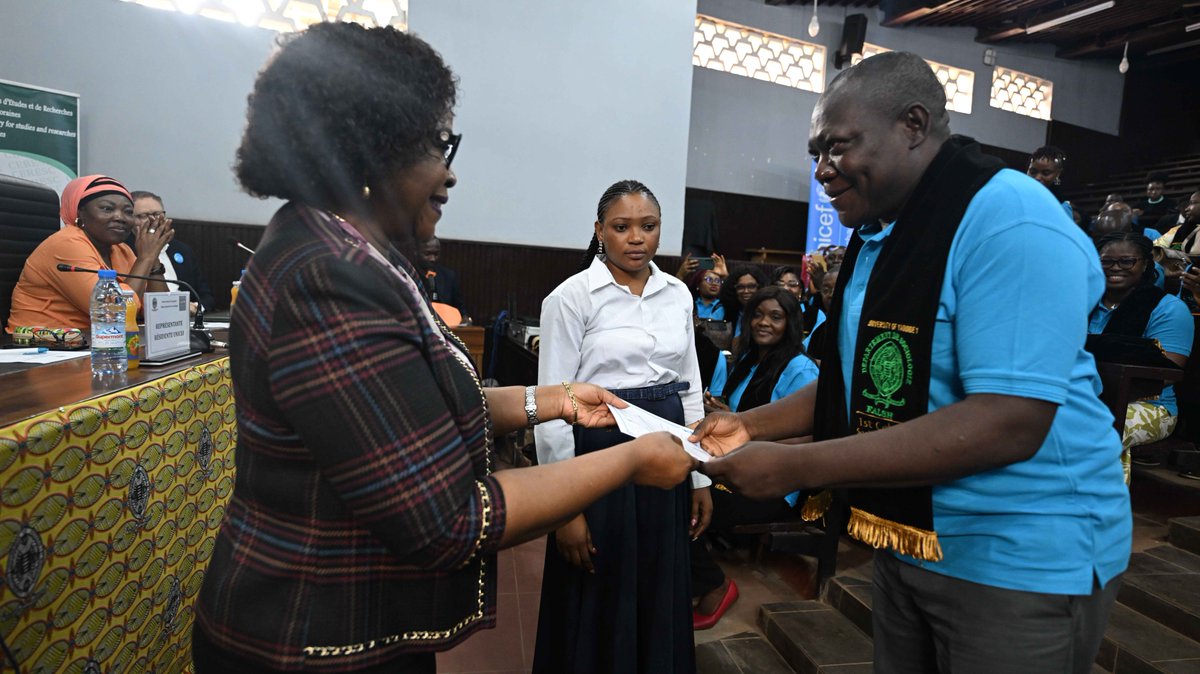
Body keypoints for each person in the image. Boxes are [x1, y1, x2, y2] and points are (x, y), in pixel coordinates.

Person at [191, 25, 693, 674]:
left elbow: (418, 406)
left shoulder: (358, 257)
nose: (448, 173)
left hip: (356, 624)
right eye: (436, 144)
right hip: (310, 636)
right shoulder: (327, 275)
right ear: (375, 146)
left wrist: (556, 399)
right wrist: (625, 465)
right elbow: (448, 522)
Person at [694, 52, 1130, 674]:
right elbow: (857, 383)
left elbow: (1008, 421)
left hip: (1018, 550)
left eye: (838, 147)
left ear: (914, 124)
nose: (822, 171)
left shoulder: (1008, 218)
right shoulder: (883, 234)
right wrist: (753, 426)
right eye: (815, 153)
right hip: (913, 535)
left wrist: (795, 463)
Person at [533, 179, 708, 674]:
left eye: (648, 227)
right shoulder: (571, 297)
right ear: (599, 231)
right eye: (622, 227)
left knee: (658, 579)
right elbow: (552, 405)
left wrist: (700, 474)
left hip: (669, 447)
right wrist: (561, 508)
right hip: (598, 452)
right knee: (598, 579)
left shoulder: (677, 294)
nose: (637, 238)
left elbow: (690, 386)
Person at [693, 286, 819, 629]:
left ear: (791, 323)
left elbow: (811, 436)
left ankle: (714, 587)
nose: (764, 323)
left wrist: (747, 445)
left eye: (775, 317)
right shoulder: (750, 359)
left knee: (679, 503)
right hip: (738, 465)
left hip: (775, 483)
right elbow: (750, 420)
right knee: (672, 486)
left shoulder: (800, 370)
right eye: (758, 315)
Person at [7, 175, 172, 332]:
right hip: (40, 348)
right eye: (107, 209)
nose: (120, 217)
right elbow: (113, 313)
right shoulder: (66, 244)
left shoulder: (122, 250)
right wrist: (146, 258)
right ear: (80, 213)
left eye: (128, 212)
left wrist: (153, 257)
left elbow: (159, 315)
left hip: (97, 343)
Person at [1089, 232, 1192, 480]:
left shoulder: (1168, 308)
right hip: (1087, 396)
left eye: (1126, 261)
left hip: (1151, 406)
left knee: (1098, 431)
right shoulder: (1084, 302)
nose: (1115, 268)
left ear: (1145, 264)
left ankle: (1101, 512)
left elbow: (1165, 374)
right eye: (1106, 261)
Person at [130, 190, 216, 312]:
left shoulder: (182, 250)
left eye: (157, 214)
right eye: (143, 216)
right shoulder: (124, 250)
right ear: (130, 219)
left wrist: (195, 308)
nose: (152, 219)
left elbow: (206, 296)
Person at [717, 263, 770, 341]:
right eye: (740, 287)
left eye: (751, 286)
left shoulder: (767, 313)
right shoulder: (722, 311)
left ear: (760, 287)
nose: (746, 291)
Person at [1026, 145, 1073, 220]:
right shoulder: (1017, 196)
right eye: (1033, 171)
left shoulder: (1062, 208)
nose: (1037, 177)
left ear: (1058, 174)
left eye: (1046, 173)